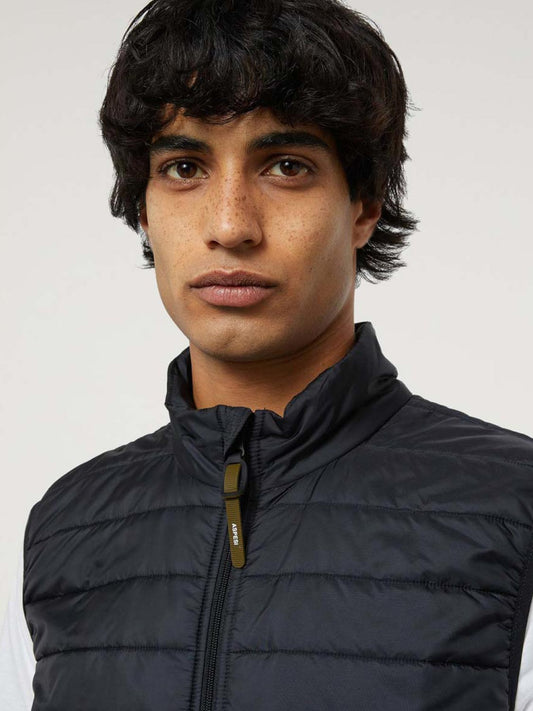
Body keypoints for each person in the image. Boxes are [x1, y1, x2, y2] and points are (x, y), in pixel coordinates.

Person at [1, 0, 532, 708]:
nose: (230, 226)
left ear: (364, 206)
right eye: (184, 167)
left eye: (285, 166)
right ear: (143, 209)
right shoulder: (63, 531)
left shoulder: (512, 510)